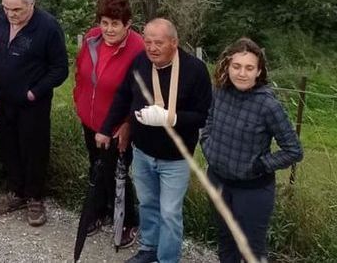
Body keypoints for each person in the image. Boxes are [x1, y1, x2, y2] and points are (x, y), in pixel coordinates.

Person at [100, 18, 212, 263]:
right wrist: (107, 128)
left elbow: (203, 116)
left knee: (170, 212)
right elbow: (123, 96)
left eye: (158, 43)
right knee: (148, 204)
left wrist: (171, 118)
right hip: (142, 151)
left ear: (174, 42)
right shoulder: (140, 62)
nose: (152, 48)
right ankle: (149, 248)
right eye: (148, 42)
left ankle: (168, 259)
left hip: (176, 156)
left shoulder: (194, 70)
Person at [202, 38, 303, 263]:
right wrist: (207, 144)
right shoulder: (219, 91)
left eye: (249, 68)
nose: (242, 73)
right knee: (226, 242)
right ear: (227, 67)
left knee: (251, 250)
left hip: (253, 191)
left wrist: (260, 165)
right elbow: (210, 119)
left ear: (259, 72)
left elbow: (294, 150)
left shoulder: (268, 105)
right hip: (218, 182)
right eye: (236, 66)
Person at [0, 0, 68, 226]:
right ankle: (16, 192)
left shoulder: (48, 27)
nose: (10, 14)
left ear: (31, 4)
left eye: (17, 10)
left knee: (34, 149)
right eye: (6, 8)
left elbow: (60, 69)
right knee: (8, 145)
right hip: (4, 98)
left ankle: (34, 197)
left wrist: (35, 92)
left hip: (33, 103)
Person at [73, 0, 143, 246]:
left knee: (119, 172)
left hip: (116, 125)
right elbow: (80, 70)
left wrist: (126, 125)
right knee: (97, 166)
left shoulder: (138, 50)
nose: (108, 29)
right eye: (104, 22)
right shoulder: (92, 38)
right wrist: (77, 99)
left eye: (115, 24)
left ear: (128, 24)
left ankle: (129, 221)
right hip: (90, 117)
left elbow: (140, 95)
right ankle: (100, 211)